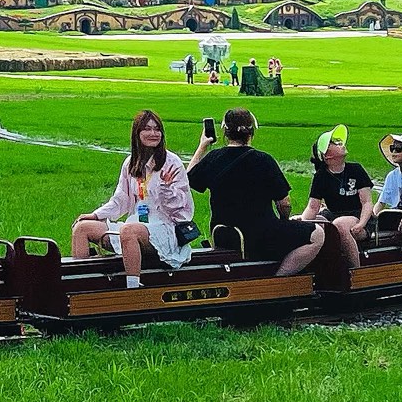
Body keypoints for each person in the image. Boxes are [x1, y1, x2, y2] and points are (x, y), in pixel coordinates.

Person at [71, 111, 196, 284]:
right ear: (137, 133)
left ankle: (133, 288)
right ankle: (81, 283)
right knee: (82, 228)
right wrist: (96, 215)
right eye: (147, 129)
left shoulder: (172, 163)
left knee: (129, 231)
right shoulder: (131, 163)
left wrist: (167, 189)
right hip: (134, 224)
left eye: (157, 129)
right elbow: (120, 199)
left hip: (164, 229)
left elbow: (182, 212)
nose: (153, 133)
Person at [188, 108, 293, 261]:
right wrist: (285, 221)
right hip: (262, 236)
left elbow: (188, 178)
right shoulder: (264, 160)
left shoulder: (214, 158)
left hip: (222, 234)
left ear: (225, 131)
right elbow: (284, 203)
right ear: (252, 132)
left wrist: (202, 146)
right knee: (316, 235)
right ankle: (280, 276)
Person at [278, 126, 372, 278]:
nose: (340, 143)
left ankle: (355, 273)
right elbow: (313, 207)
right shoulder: (321, 176)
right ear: (327, 156)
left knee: (340, 225)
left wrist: (362, 223)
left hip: (358, 217)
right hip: (333, 215)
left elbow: (367, 202)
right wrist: (300, 223)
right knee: (307, 222)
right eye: (334, 143)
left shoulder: (356, 170)